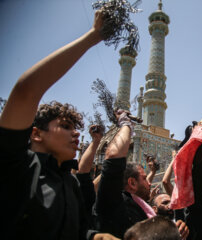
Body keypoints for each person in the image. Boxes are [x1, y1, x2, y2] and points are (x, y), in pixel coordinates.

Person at [0, 10, 120, 240]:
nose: (76, 133)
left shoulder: (69, 184)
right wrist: (93, 36)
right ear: (36, 134)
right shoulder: (17, 167)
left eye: (74, 127)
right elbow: (26, 91)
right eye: (65, 126)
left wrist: (98, 237)